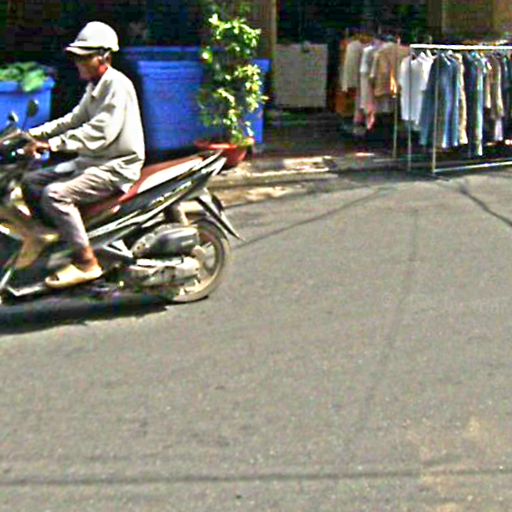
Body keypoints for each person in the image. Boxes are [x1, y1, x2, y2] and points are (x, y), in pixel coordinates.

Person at [18, 21, 145, 288]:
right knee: (30, 182)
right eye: (76, 57)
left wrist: (53, 145)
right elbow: (73, 119)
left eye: (84, 57)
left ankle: (87, 262)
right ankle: (53, 240)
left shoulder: (117, 86)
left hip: (115, 166)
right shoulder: (95, 86)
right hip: (91, 162)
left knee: (56, 195)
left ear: (104, 57)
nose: (78, 63)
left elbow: (100, 133)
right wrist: (31, 134)